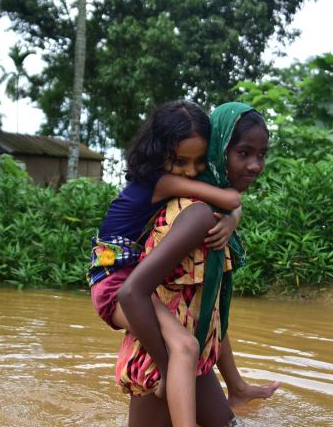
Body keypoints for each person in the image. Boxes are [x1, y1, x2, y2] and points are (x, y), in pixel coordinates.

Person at [116, 102, 279, 427]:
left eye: (261, 155)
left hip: (196, 353)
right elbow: (133, 292)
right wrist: (169, 364)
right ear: (219, 151)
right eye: (243, 153)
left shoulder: (213, 212)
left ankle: (229, 399)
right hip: (164, 362)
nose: (256, 165)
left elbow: (206, 301)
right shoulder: (195, 214)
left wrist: (234, 383)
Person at [88, 100, 244, 396]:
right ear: (159, 153)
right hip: (112, 283)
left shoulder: (166, 179)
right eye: (180, 161)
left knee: (201, 317)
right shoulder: (162, 181)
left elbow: (228, 202)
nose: (190, 171)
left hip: (126, 275)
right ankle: (166, 373)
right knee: (179, 347)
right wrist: (233, 218)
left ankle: (226, 386)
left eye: (199, 161)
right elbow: (231, 199)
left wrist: (231, 219)